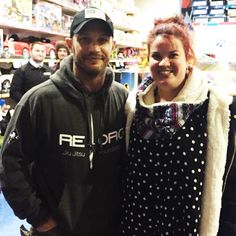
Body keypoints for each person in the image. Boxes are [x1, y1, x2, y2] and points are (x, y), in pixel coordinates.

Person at [0, 7, 128, 236]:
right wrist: (38, 216)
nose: (94, 48)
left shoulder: (123, 98)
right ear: (70, 45)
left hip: (110, 227)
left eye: (102, 40)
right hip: (57, 230)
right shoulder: (39, 100)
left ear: (113, 46)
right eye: (85, 39)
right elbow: (10, 163)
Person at [121, 15, 236, 235]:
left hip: (183, 225)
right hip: (136, 222)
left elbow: (225, 182)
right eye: (156, 56)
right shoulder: (134, 107)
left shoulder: (212, 106)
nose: (164, 63)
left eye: (173, 55)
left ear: (188, 57)